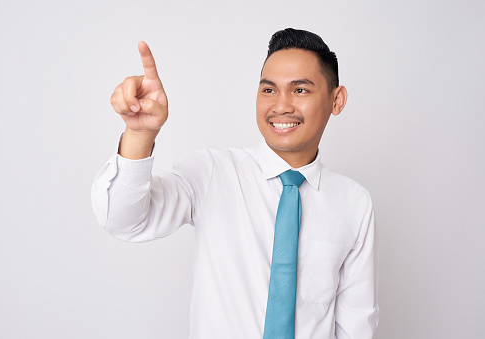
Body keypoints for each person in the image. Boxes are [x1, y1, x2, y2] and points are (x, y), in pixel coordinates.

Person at [92, 28, 379, 338]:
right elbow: (123, 221)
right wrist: (139, 135)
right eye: (268, 90)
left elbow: (355, 326)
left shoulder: (354, 204)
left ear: (337, 100)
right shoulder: (213, 172)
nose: (281, 106)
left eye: (300, 90)